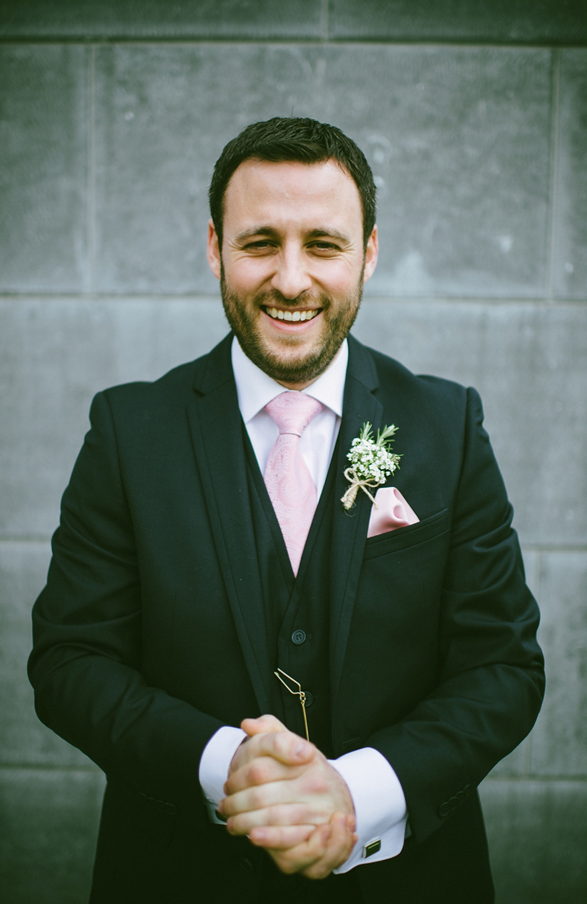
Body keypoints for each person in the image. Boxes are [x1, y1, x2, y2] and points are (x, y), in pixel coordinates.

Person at [28, 117, 544, 904]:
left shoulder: (449, 426)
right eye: (261, 242)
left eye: (325, 245)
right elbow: (70, 661)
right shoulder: (128, 431)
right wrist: (223, 764)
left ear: (369, 252)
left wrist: (359, 792)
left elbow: (503, 667)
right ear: (215, 248)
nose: (293, 280)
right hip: (174, 879)